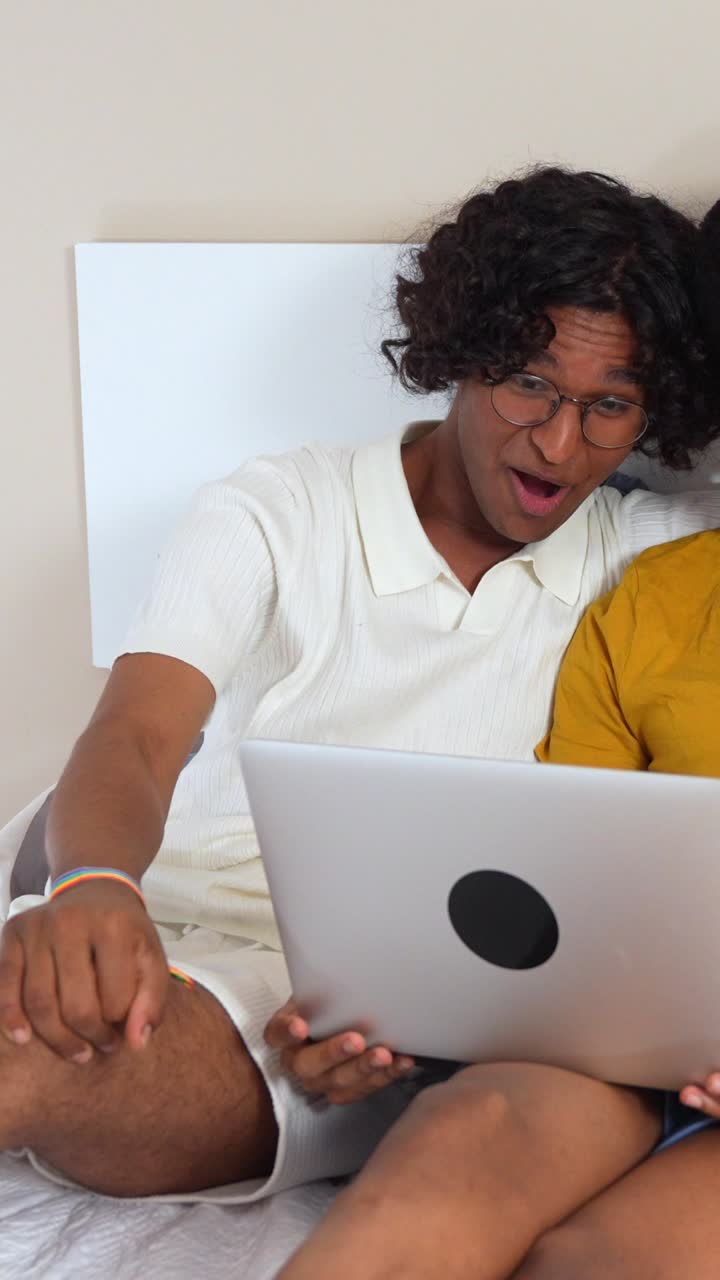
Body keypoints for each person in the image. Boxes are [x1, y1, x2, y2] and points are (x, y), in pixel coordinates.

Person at [2, 166, 720, 1276]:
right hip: (141, 908)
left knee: (25, 1058)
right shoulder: (280, 508)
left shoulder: (649, 559)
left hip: (329, 1022)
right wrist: (93, 882)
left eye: (610, 406)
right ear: (461, 353)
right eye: (529, 384)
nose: (559, 444)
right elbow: (138, 730)